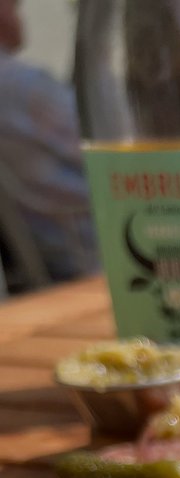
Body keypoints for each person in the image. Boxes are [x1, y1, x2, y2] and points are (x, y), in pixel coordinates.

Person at [0, 0, 98, 288]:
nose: (20, 10)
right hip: (93, 253)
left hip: (52, 257)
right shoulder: (23, 86)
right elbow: (117, 153)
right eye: (14, 7)